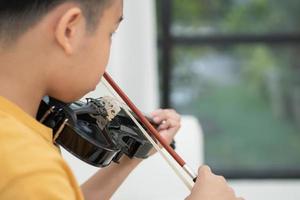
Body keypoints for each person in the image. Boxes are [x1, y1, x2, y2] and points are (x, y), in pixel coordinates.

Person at [0, 0, 243, 200]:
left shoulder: (18, 143)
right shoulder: (26, 167)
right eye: (110, 33)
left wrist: (130, 158)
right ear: (69, 30)